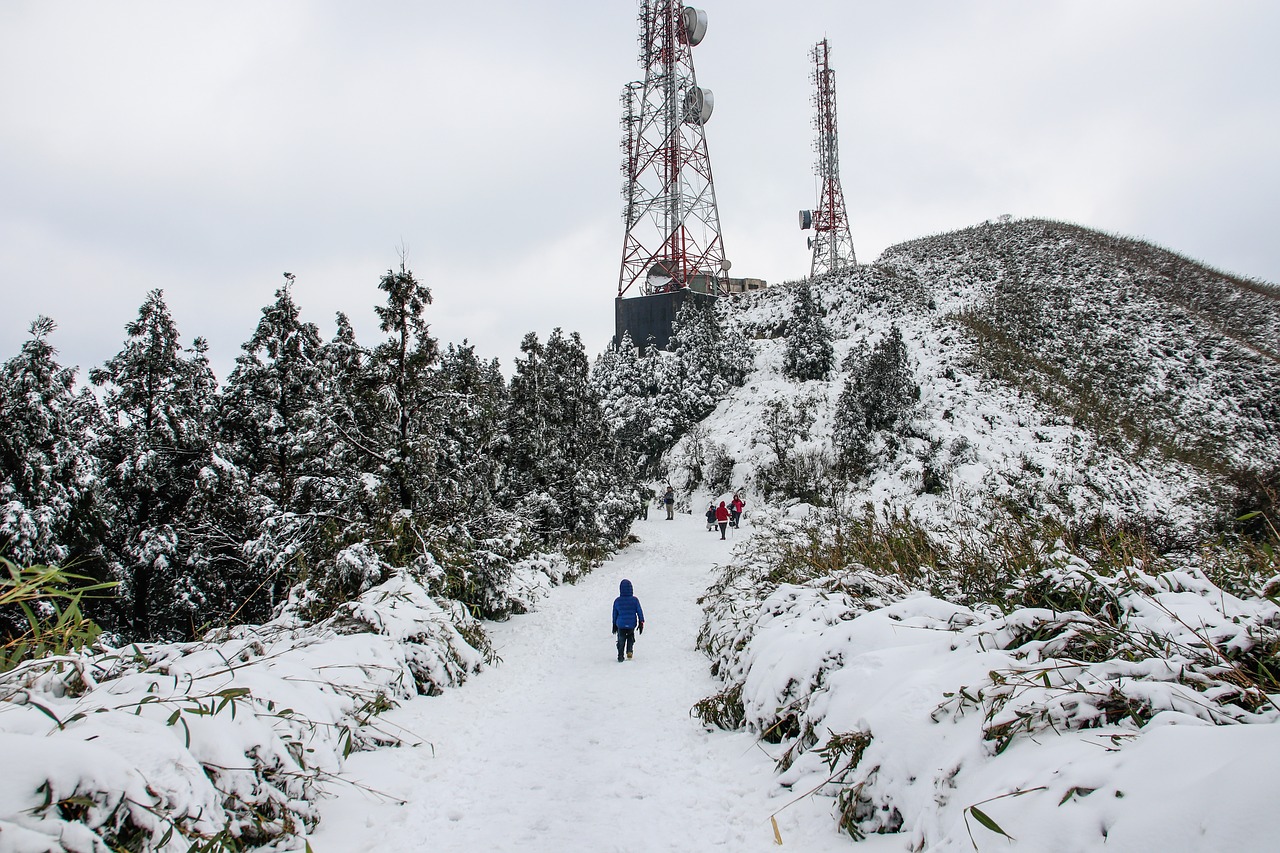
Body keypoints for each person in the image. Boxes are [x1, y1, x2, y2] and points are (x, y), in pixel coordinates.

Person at [611, 578, 645, 662]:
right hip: (631, 623)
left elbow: (614, 613)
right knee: (630, 636)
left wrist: (614, 624)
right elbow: (639, 611)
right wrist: (641, 621)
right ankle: (629, 650)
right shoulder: (635, 600)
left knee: (621, 639)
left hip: (621, 624)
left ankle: (620, 655)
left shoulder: (617, 601)